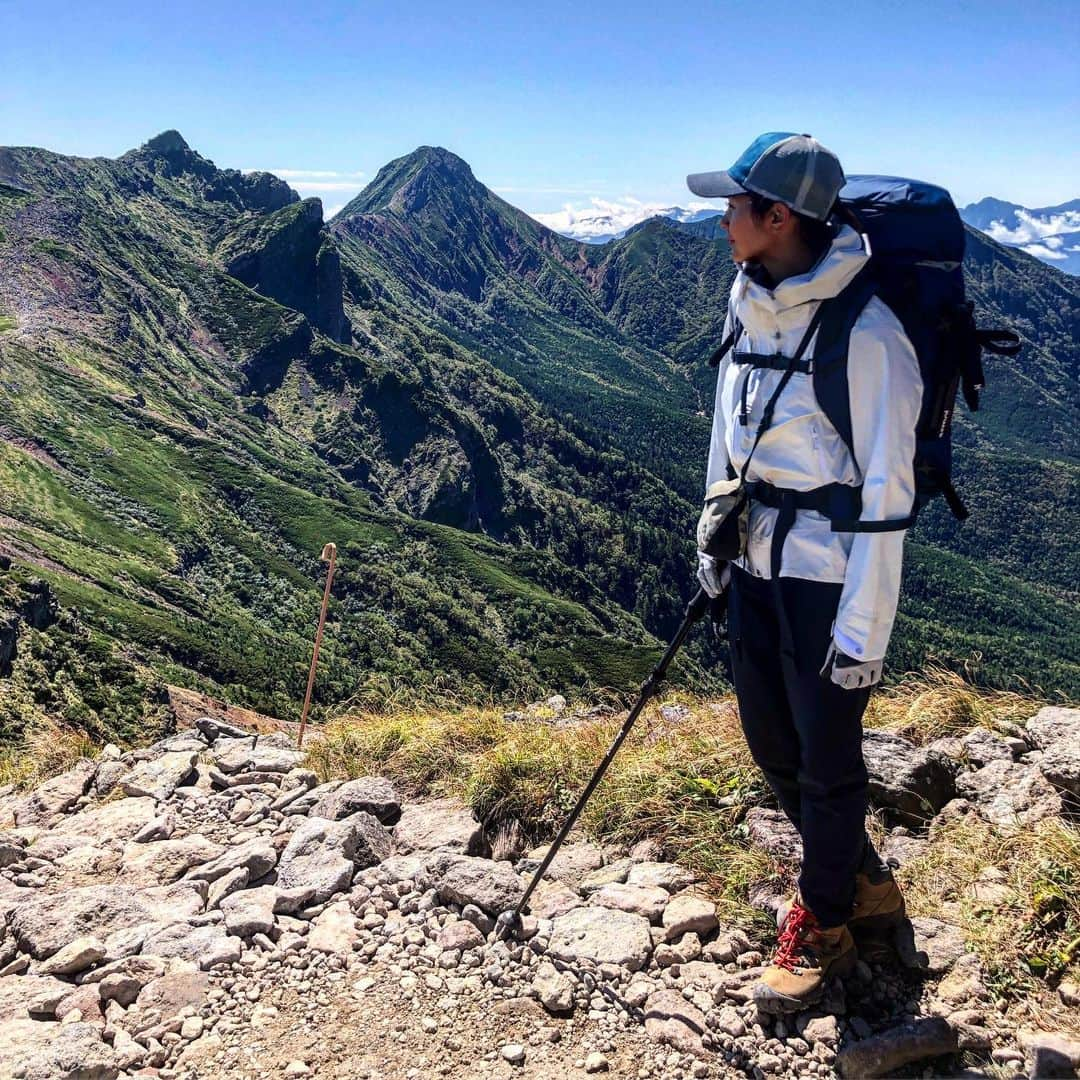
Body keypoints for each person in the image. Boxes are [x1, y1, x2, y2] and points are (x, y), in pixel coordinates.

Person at [686, 133, 921, 1013]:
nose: (722, 218)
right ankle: (859, 878)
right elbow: (726, 435)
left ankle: (821, 918)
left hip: (828, 581)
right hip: (751, 563)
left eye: (736, 204)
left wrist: (863, 632)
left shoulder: (869, 336)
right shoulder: (745, 307)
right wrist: (710, 541)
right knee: (771, 745)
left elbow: (888, 499)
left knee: (827, 759)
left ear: (779, 217)